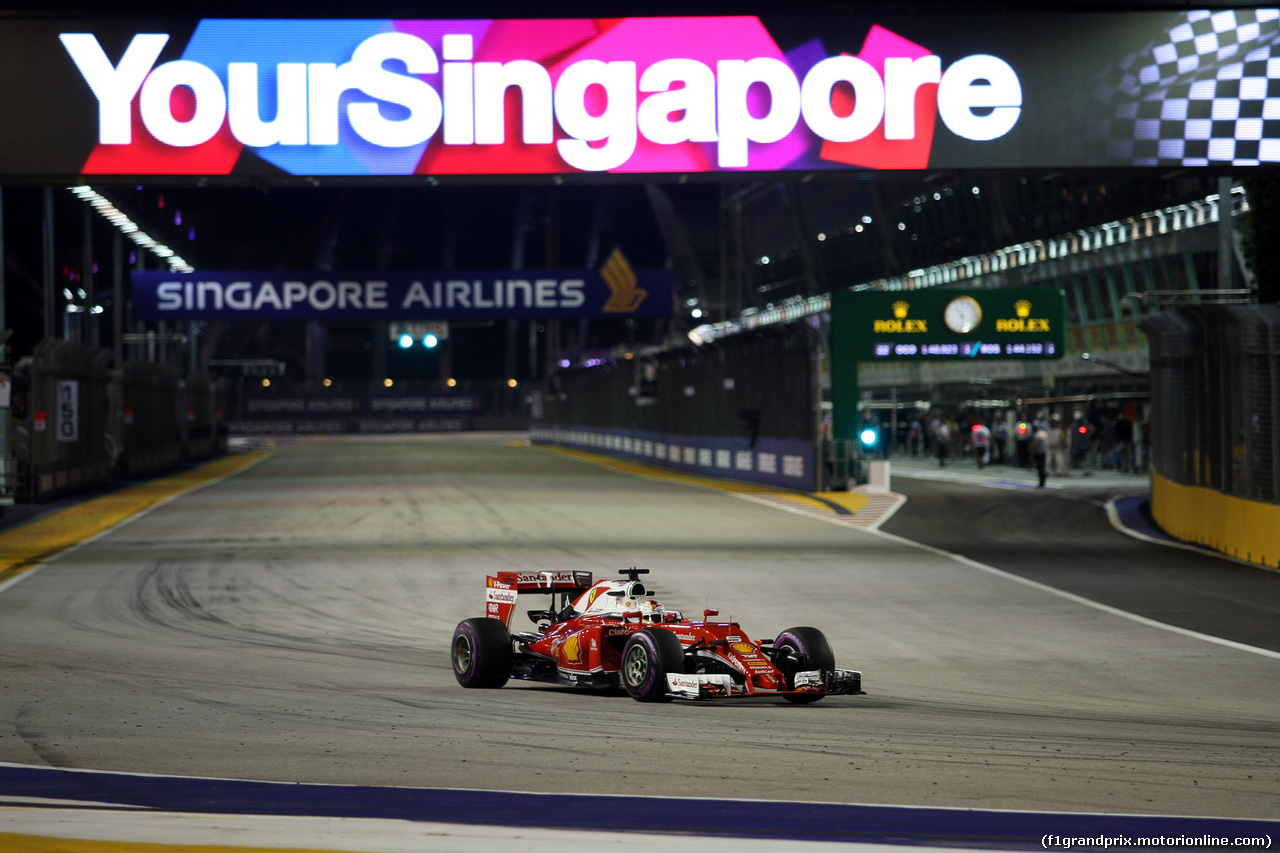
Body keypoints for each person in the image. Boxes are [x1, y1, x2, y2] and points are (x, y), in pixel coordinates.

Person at [1033, 422, 1049, 488]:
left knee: (1040, 468)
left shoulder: (1037, 435)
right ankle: (1043, 481)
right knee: (1043, 467)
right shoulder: (1045, 434)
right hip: (1045, 452)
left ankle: (1041, 482)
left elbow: (1036, 445)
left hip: (1039, 452)